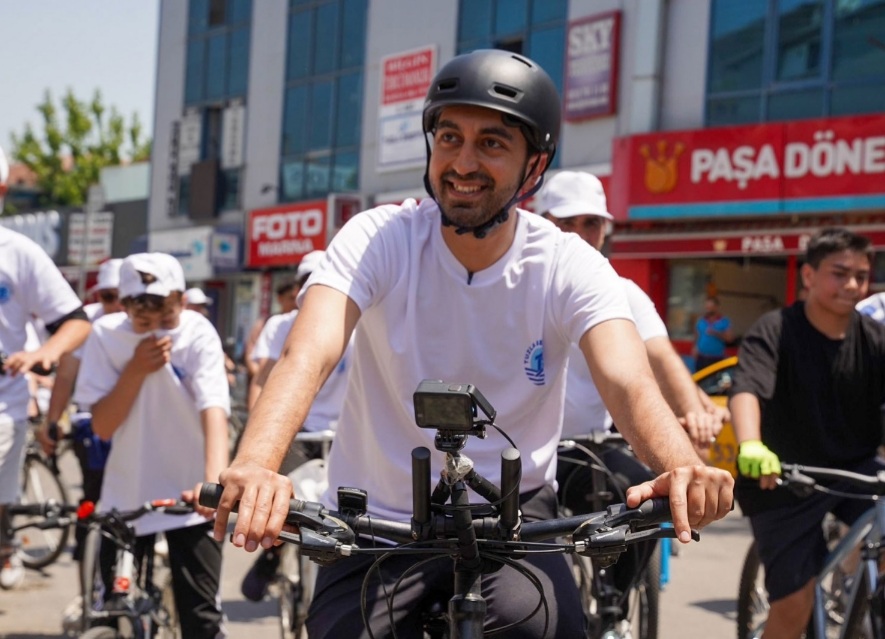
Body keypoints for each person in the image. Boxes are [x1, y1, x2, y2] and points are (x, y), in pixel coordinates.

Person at [212, 49, 733, 638]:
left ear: (534, 165)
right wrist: (256, 464)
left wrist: (682, 467)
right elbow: (307, 353)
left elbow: (628, 379)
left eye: (492, 143)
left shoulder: (568, 263)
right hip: (379, 518)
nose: (463, 161)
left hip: (513, 521)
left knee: (549, 628)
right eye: (449, 137)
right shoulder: (381, 237)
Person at [538, 170, 726, 609]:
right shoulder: (520, 286)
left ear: (606, 231)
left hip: (593, 447)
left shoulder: (620, 291)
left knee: (644, 494)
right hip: (527, 456)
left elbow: (661, 362)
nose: (580, 235)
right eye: (567, 223)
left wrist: (694, 415)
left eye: (592, 224)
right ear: (540, 222)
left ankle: (616, 604)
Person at [730, 228, 885, 638]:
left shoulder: (873, 339)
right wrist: (750, 443)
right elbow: (746, 390)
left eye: (861, 275)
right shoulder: (775, 330)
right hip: (780, 476)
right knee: (795, 604)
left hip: (854, 470)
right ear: (809, 276)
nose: (852, 284)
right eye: (840, 273)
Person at [74, 252, 229, 637]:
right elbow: (104, 426)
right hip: (126, 493)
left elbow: (215, 409)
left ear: (181, 300)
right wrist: (135, 370)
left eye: (166, 317)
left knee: (201, 620)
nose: (156, 328)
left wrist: (213, 485)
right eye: (143, 320)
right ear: (124, 306)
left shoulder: (197, 332)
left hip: (189, 496)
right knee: (110, 612)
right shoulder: (107, 336)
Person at [0, 146, 92, 590]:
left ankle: (4, 546)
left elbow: (75, 322)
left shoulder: (18, 253)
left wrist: (43, 354)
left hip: (3, 406)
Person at [240, 249, 352, 601]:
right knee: (283, 506)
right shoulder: (281, 326)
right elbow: (263, 378)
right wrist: (257, 434)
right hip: (298, 432)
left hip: (345, 436)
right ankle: (271, 553)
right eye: (307, 283)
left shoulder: (357, 321)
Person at [36, 258, 124, 564]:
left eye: (122, 297)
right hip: (93, 423)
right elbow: (65, 376)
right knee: (94, 495)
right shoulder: (86, 323)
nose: (116, 305)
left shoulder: (145, 320)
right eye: (107, 297)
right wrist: (52, 421)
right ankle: (86, 562)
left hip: (138, 425)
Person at [243, 279, 299, 408]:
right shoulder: (267, 324)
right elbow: (251, 358)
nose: (295, 303)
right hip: (265, 392)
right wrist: (266, 378)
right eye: (291, 298)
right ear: (280, 299)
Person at [693, 295, 733, 371]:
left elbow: (729, 339)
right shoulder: (701, 320)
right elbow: (697, 336)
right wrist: (695, 348)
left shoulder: (724, 321)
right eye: (706, 306)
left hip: (716, 358)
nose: (707, 309)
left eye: (710, 307)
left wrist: (716, 333)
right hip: (701, 357)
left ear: (716, 307)